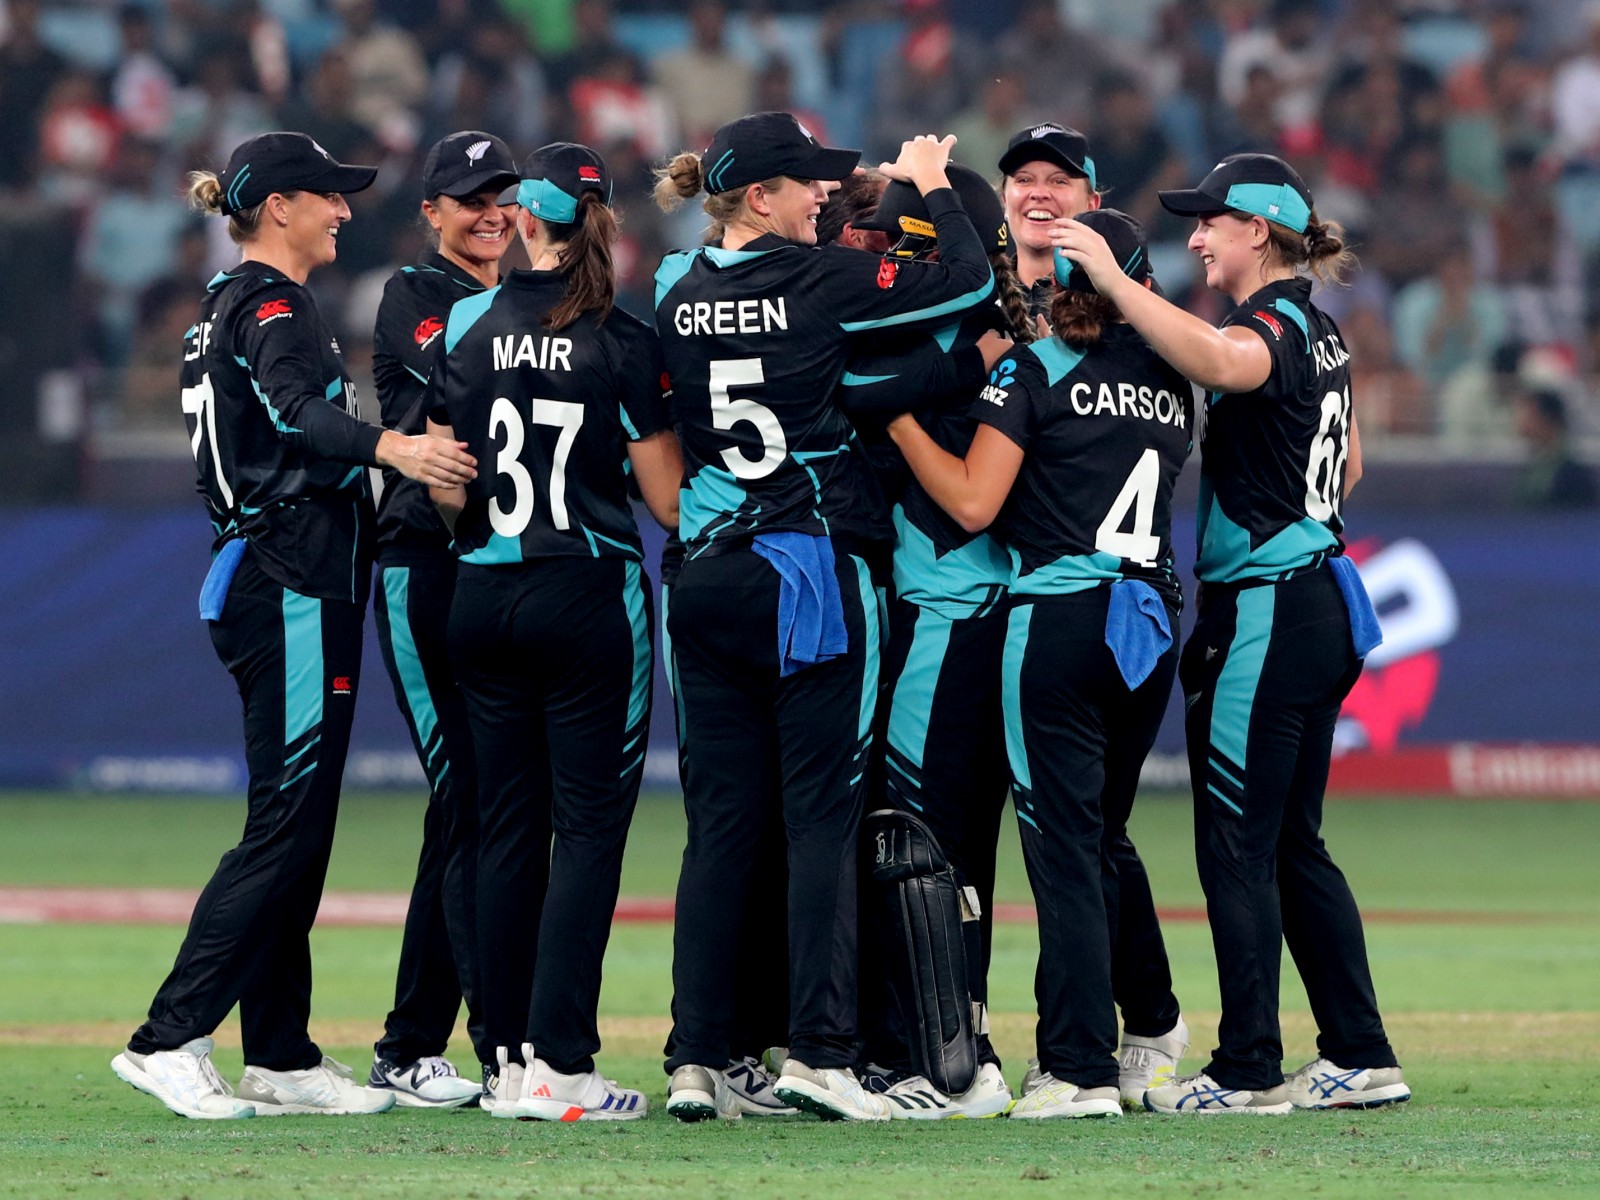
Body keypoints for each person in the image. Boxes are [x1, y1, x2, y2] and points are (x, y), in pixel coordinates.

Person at [110, 131, 478, 1120]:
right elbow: (293, 413)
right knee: (285, 822)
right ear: (279, 206)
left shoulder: (226, 305)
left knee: (299, 822)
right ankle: (169, 1034)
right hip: (291, 578)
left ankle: (278, 1051)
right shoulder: (275, 302)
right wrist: (393, 448)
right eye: (329, 196)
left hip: (276, 575)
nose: (345, 212)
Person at [651, 114, 992, 1123]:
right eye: (809, 186)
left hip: (705, 577)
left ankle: (697, 1058)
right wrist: (927, 186)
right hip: (808, 574)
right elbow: (964, 283)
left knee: (718, 830)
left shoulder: (676, 290)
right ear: (759, 195)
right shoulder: (817, 283)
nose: (826, 202)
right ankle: (820, 1052)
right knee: (820, 822)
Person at [1053, 152, 1410, 1114]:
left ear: (1259, 230)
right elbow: (1352, 468)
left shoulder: (1271, 324)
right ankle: (1360, 1053)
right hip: (1318, 598)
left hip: (1268, 609)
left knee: (1238, 844)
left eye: (1209, 221)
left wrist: (1117, 286)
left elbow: (1219, 363)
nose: (1196, 237)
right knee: (1293, 842)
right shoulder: (1323, 332)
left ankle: (1248, 1065)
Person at [888, 209, 1193, 1120]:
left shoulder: (1032, 368)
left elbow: (976, 503)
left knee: (1059, 848)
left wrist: (899, 419)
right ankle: (1134, 1042)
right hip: (1148, 624)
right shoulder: (1178, 381)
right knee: (1099, 840)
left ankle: (1075, 1067)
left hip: (1058, 618)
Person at [425, 141, 682, 1122]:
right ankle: (562, 1064)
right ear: (598, 222)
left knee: (503, 832)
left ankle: (502, 1060)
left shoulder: (465, 322)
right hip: (585, 591)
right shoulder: (622, 334)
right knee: (586, 834)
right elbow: (662, 503)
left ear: (522, 221)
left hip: (482, 594)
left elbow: (447, 484)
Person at [832, 165, 1029, 1119]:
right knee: (962, 850)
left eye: (890, 245)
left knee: (915, 841)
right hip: (983, 612)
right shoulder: (998, 332)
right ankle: (959, 1036)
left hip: (945, 612)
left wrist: (904, 404)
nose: (875, 262)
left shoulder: (939, 328)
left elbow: (847, 381)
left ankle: (944, 1057)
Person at [364, 130, 523, 1109]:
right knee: (468, 797)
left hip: (497, 569)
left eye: (504, 194)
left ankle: (413, 1040)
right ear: (432, 213)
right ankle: (499, 1042)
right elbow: (455, 416)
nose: (492, 212)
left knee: (468, 807)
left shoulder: (522, 297)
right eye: (471, 198)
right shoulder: (413, 298)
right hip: (422, 562)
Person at [998, 123, 1102, 316]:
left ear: (1092, 205)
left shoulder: (1118, 303)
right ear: (1004, 200)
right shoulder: (976, 301)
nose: (1039, 194)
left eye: (1059, 181)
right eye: (1024, 180)